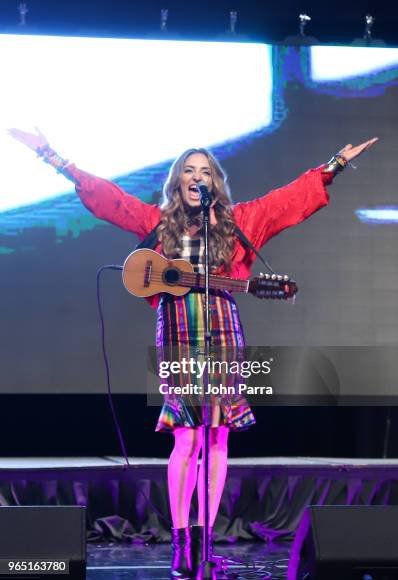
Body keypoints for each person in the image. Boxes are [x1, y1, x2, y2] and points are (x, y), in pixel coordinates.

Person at [8, 127, 377, 578]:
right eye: (189, 170)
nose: (196, 177)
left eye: (204, 171)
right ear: (177, 180)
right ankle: (182, 539)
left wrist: (334, 164)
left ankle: (203, 537)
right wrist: (53, 157)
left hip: (223, 332)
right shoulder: (158, 223)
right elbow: (110, 199)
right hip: (179, 332)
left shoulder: (239, 221)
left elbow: (287, 201)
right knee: (187, 435)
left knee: (217, 434)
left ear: (214, 182)